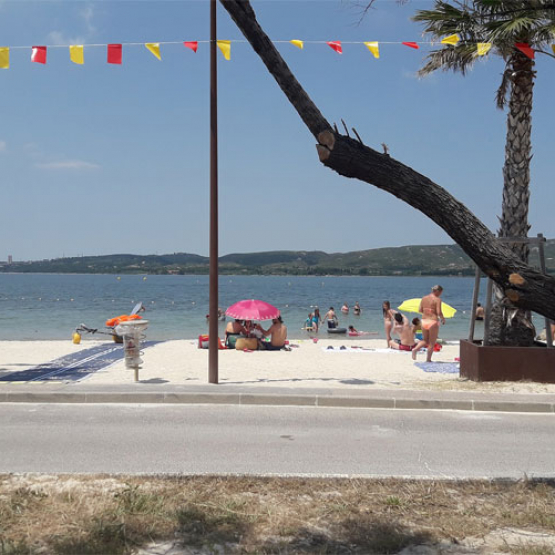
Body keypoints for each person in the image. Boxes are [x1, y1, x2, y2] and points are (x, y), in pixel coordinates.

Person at [412, 285, 446, 362]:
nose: (440, 294)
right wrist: (443, 319)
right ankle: (428, 359)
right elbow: (439, 312)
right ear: (438, 291)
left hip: (424, 321)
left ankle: (415, 349)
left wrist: (427, 311)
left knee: (425, 340)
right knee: (431, 342)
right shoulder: (437, 299)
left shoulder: (424, 298)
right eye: (440, 292)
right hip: (432, 321)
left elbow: (420, 310)